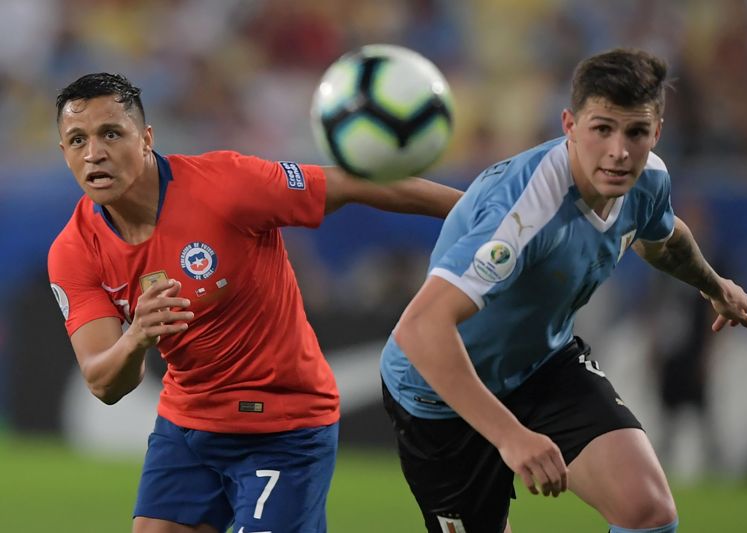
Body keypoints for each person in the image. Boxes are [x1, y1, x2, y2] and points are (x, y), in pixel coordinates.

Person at [48, 72, 462, 533]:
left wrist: (476, 209)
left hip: (284, 426)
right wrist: (137, 339)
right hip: (188, 426)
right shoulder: (73, 251)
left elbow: (352, 184)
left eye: (111, 133)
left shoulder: (227, 185)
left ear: (146, 139)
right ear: (65, 155)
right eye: (77, 140)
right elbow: (105, 383)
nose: (94, 153)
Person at [380, 48, 747, 533]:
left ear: (657, 132)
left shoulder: (649, 180)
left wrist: (715, 286)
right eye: (602, 128)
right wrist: (510, 437)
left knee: (648, 511)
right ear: (569, 124)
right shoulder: (526, 208)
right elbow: (422, 327)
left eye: (636, 132)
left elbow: (663, 238)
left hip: (542, 366)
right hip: (439, 393)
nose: (619, 151)